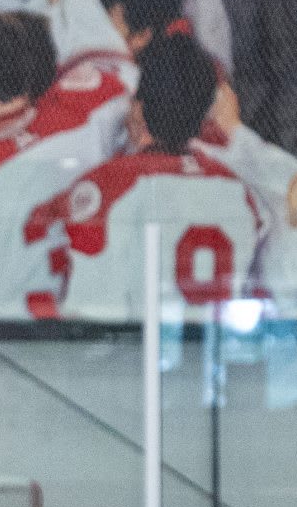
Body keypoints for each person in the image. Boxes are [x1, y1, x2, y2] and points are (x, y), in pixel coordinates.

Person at [21, 31, 267, 319]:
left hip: (134, 356)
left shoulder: (110, 186)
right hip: (208, 353)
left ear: (138, 109)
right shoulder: (238, 190)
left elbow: (87, 310)